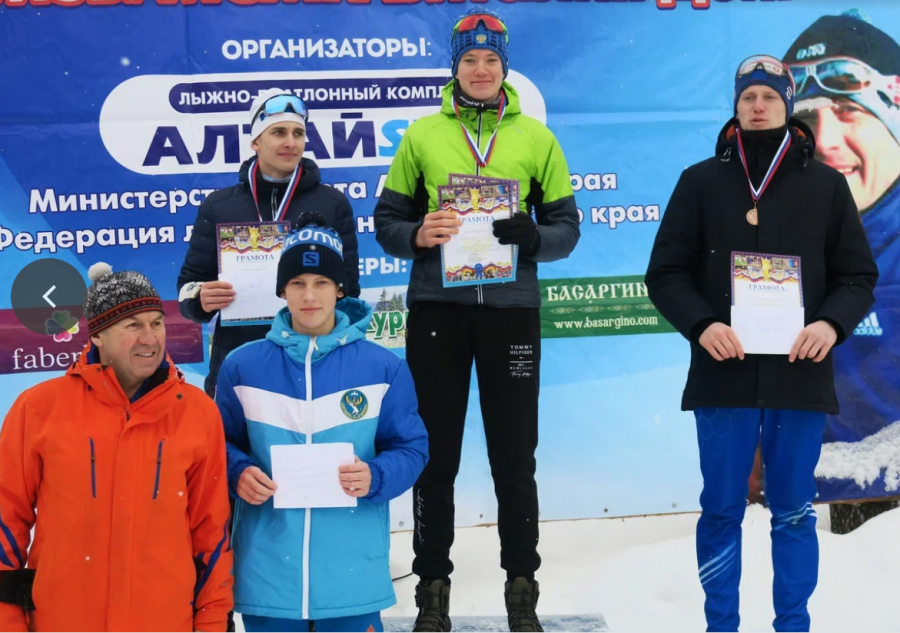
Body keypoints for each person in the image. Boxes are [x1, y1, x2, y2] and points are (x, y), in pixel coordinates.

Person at [645, 55, 878, 632]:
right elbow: (665, 273)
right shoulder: (699, 182)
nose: (757, 106)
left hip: (800, 374)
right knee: (721, 507)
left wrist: (829, 325)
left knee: (794, 511)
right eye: (748, 96)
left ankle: (792, 624)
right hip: (724, 373)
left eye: (769, 97)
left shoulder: (825, 185)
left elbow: (858, 276)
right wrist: (703, 325)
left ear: (786, 104)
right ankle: (720, 625)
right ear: (735, 105)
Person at [374, 9, 579, 632]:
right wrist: (419, 234)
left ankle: (522, 588)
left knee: (515, 455)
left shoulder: (536, 139)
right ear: (454, 67)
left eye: (491, 59)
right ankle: (431, 588)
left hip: (511, 316)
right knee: (434, 455)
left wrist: (533, 237)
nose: (481, 69)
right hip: (439, 311)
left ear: (505, 67)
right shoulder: (422, 137)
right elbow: (386, 225)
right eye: (470, 60)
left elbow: (568, 231)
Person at [215, 212, 428, 633]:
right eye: (297, 283)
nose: (309, 296)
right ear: (282, 291)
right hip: (269, 575)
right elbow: (215, 445)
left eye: (321, 283)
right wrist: (236, 472)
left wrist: (377, 475)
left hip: (352, 574)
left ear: (339, 289)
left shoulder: (382, 368)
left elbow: (412, 448)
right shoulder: (242, 366)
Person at [0, 263, 233, 631]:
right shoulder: (38, 408)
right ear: (98, 335)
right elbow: (5, 520)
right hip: (63, 621)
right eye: (133, 325)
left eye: (157, 323)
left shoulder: (196, 410)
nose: (150, 338)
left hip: (164, 621)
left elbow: (212, 531)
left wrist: (212, 620)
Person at [785, 9, 900, 500]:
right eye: (808, 117)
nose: (826, 142)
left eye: (849, 110)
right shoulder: (775, 233)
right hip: (807, 505)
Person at [177, 88, 361, 397]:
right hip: (239, 358)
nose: (290, 142)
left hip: (314, 359)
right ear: (255, 142)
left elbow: (349, 290)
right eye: (278, 132)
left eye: (298, 133)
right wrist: (200, 299)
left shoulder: (332, 204)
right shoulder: (219, 207)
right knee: (236, 445)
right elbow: (187, 286)